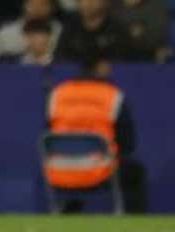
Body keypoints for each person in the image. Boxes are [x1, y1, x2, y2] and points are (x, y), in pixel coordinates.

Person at [46, 57, 147, 212]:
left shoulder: (57, 94)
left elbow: (50, 136)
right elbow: (128, 144)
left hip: (58, 171)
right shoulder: (113, 96)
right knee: (135, 171)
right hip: (99, 172)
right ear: (101, 67)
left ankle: (68, 216)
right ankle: (135, 225)